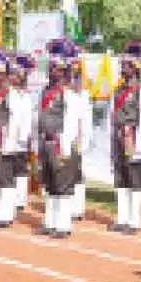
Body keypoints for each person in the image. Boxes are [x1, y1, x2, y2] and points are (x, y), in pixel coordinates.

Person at [36, 39, 78, 239]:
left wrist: (66, 146)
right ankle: (50, 221)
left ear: (64, 70)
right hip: (46, 141)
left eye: (56, 67)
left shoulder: (69, 92)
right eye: (51, 66)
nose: (52, 70)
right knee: (50, 183)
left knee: (62, 184)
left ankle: (63, 224)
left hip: (61, 141)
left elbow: (71, 121)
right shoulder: (46, 90)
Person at [109, 41, 141, 235]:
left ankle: (135, 220)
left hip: (131, 135)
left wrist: (139, 146)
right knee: (120, 177)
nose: (122, 68)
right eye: (122, 65)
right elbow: (112, 115)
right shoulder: (117, 90)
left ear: (135, 69)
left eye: (126, 65)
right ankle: (122, 217)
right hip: (118, 135)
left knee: (134, 178)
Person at [0, 47, 22, 229]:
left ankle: (6, 212)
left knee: (6, 177)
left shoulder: (10, 94)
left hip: (4, 137)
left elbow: (15, 119)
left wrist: (10, 142)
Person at [68, 44, 93, 221]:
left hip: (77, 136)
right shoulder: (65, 92)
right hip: (65, 136)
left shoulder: (83, 94)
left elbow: (85, 119)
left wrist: (83, 140)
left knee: (77, 172)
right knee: (65, 173)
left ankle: (77, 208)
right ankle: (68, 205)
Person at [10, 54, 34, 212]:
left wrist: (24, 136)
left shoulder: (26, 95)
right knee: (8, 167)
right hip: (8, 135)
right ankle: (11, 196)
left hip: (22, 137)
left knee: (20, 167)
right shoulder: (9, 93)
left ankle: (20, 198)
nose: (13, 77)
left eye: (17, 74)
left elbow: (28, 117)